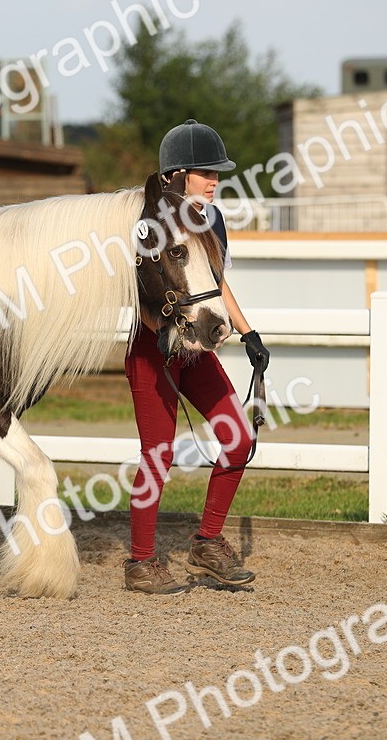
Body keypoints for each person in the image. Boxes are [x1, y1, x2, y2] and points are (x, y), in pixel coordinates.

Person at [123, 119, 270, 595]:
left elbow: (214, 285)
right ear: (177, 175)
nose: (215, 180)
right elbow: (139, 291)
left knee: (238, 439)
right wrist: (163, 331)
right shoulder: (147, 227)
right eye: (206, 172)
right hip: (153, 350)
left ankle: (207, 542)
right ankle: (142, 562)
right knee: (158, 454)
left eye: (217, 173)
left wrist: (248, 333)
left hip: (196, 348)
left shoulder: (212, 220)